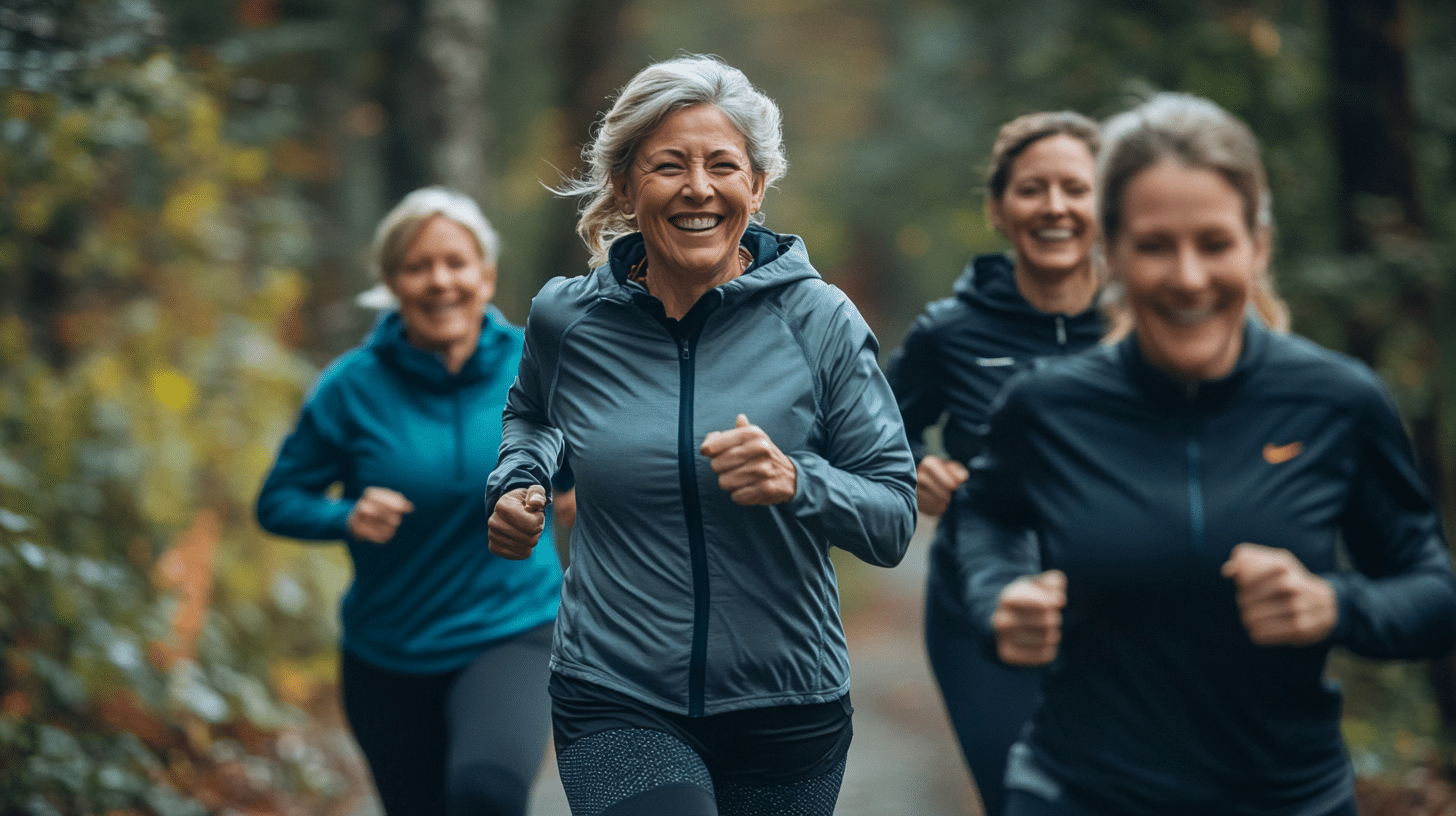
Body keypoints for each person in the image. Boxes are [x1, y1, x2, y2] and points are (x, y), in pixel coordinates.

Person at [954, 92, 1456, 816]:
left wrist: (1334, 604)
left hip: (1287, 799)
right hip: (1081, 794)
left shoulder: (1338, 401)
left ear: (1258, 246)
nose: (1188, 277)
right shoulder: (1046, 406)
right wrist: (999, 597)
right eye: (1156, 245)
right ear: (1113, 252)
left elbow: (1433, 594)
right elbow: (987, 517)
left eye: (1214, 243)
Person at [484, 55, 917, 816]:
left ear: (755, 186)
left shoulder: (821, 322)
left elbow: (891, 517)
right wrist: (520, 478)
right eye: (668, 165)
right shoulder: (569, 319)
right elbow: (534, 415)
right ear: (624, 186)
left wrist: (798, 481)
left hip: (787, 705)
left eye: (723, 165)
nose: (698, 187)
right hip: (615, 692)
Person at [255, 187, 564, 816]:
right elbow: (279, 499)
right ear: (391, 283)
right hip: (389, 653)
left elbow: (599, 457)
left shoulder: (539, 364)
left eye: (456, 262)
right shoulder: (352, 386)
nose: (439, 282)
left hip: (512, 632)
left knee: (487, 794)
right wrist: (347, 516)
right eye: (417, 266)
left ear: (487, 274)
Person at [884, 110, 1103, 816]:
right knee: (1025, 802)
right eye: (1033, 189)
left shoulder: (1149, 318)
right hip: (984, 594)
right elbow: (869, 426)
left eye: (1076, 188)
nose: (1056, 207)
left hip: (1128, 595)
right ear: (1000, 210)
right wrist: (914, 465)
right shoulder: (952, 330)